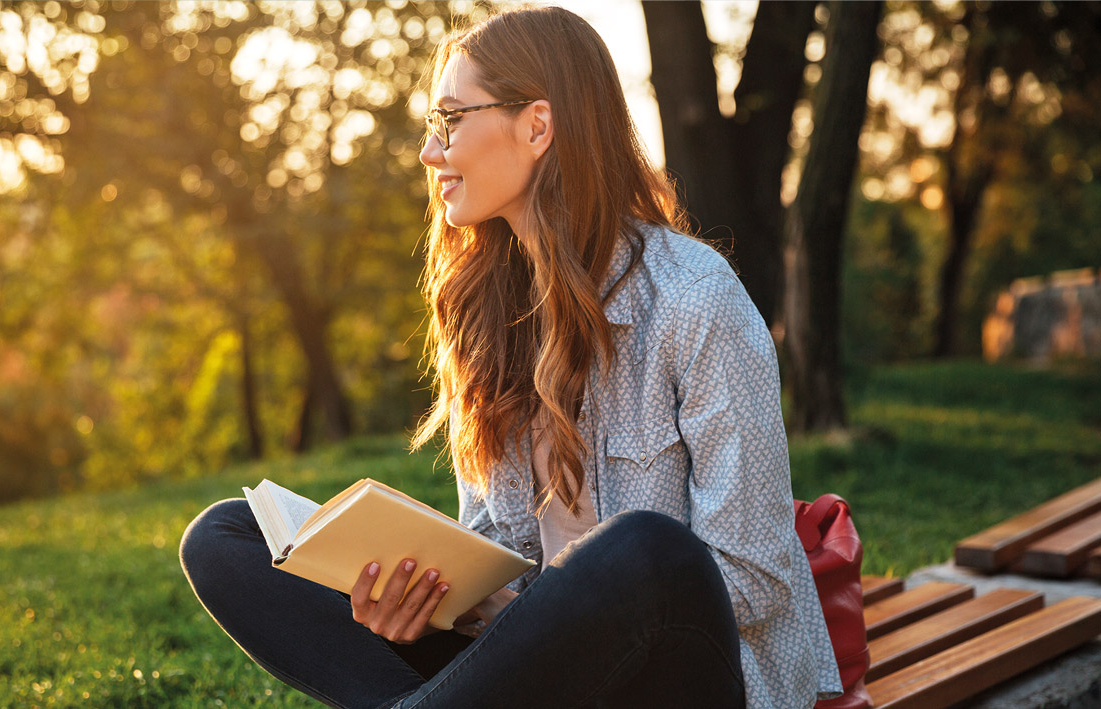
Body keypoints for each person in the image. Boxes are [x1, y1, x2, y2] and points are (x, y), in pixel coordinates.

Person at [180, 6, 842, 708]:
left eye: (451, 121)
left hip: (682, 677)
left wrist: (547, 619)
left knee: (648, 550)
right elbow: (493, 554)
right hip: (530, 670)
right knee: (225, 537)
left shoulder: (696, 299)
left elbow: (754, 578)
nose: (431, 153)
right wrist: (436, 601)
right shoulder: (486, 313)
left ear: (536, 125)